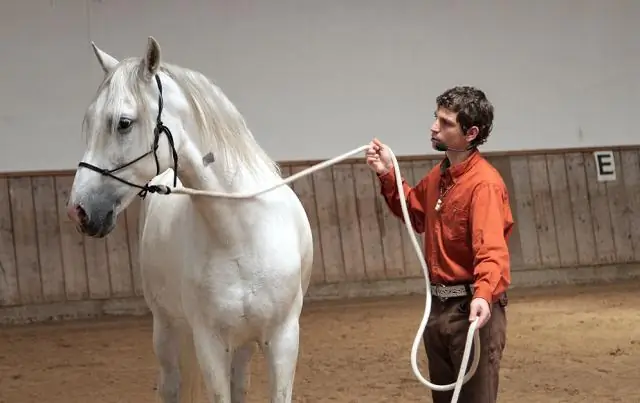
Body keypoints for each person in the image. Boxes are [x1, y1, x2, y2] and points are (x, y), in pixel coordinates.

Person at [365, 86, 513, 403]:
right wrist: (388, 173)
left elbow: (491, 251)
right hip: (439, 310)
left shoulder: (484, 184)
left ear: (470, 133)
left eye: (445, 123)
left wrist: (485, 296)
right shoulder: (439, 176)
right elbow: (414, 211)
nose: (434, 126)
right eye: (436, 118)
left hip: (471, 310)